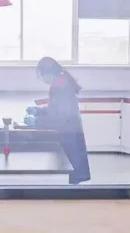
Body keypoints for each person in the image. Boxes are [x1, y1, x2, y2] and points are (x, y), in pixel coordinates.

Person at [34, 57, 91, 185]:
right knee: (71, 175)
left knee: (72, 174)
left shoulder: (61, 86)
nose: (42, 78)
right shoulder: (60, 82)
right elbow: (55, 109)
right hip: (70, 132)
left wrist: (38, 122)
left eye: (41, 74)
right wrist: (39, 112)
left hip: (69, 135)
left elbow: (60, 118)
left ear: (47, 72)